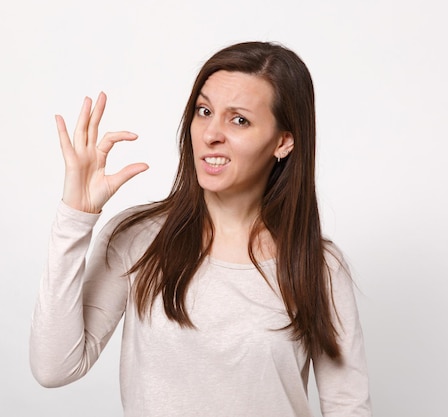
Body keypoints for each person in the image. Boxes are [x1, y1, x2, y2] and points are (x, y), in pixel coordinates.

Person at [30, 41, 372, 417]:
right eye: (204, 111)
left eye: (238, 119)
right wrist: (75, 217)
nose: (210, 134)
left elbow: (347, 406)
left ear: (283, 141)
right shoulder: (136, 239)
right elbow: (54, 368)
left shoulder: (317, 267)